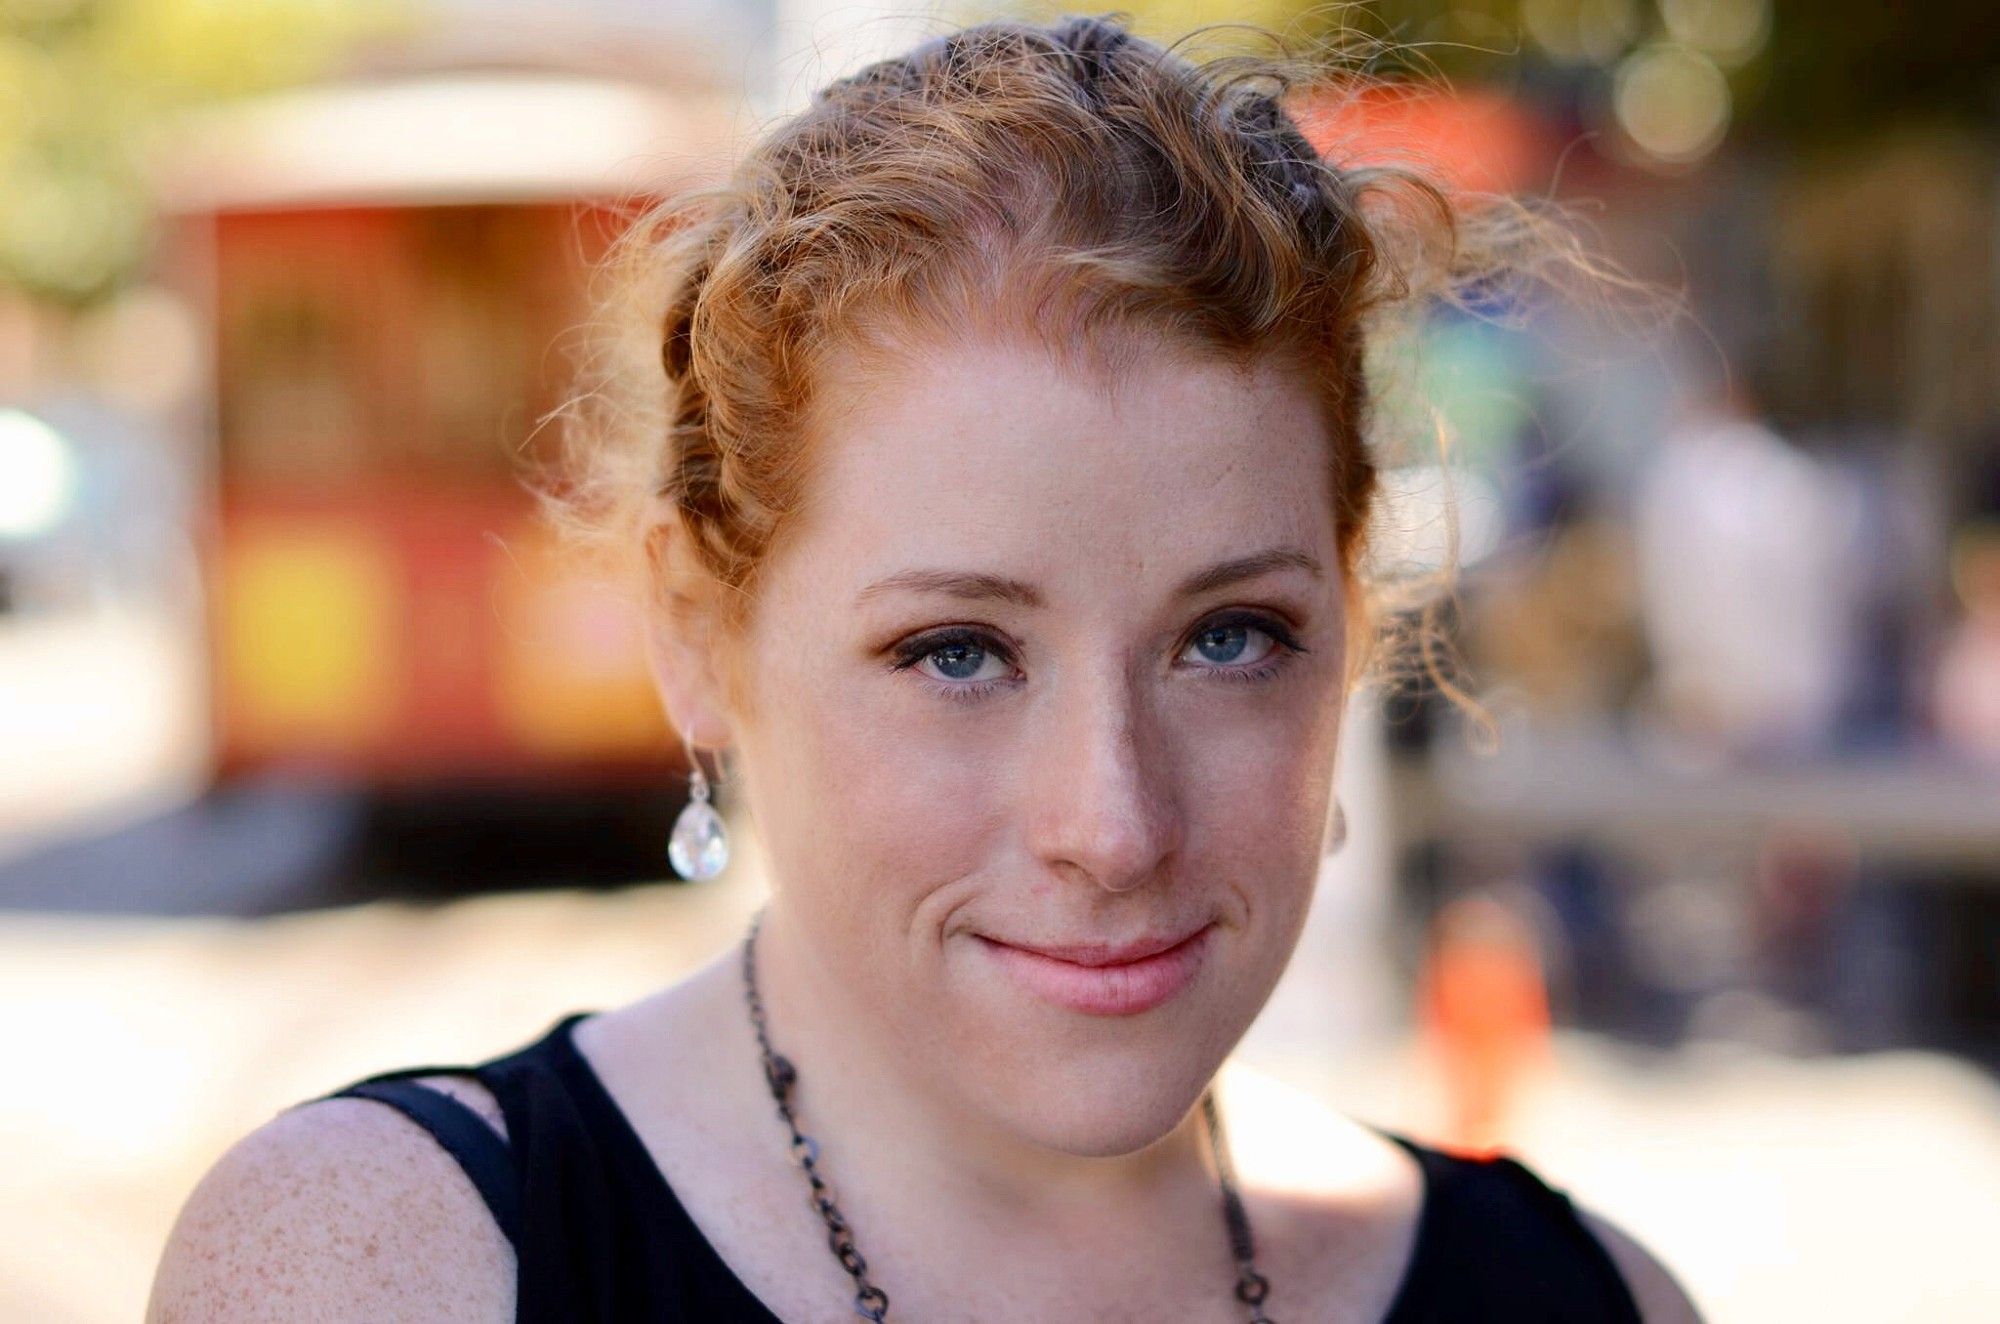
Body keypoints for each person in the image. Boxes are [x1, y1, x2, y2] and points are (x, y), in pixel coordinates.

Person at [147, 15, 1701, 1322]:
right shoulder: (386, 1264)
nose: (1114, 823)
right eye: (957, 651)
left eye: (1232, 638)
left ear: (1353, 618)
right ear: (700, 635)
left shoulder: (1583, 1298)